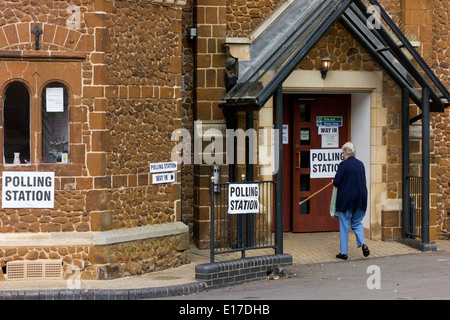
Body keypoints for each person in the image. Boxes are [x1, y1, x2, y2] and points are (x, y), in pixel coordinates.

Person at [333, 142, 370, 260]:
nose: (343, 155)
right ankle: (363, 244)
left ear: (346, 152)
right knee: (357, 222)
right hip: (361, 198)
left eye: (343, 152)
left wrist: (334, 180)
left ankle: (343, 253)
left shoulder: (343, 165)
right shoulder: (361, 164)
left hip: (347, 199)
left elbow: (337, 182)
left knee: (344, 224)